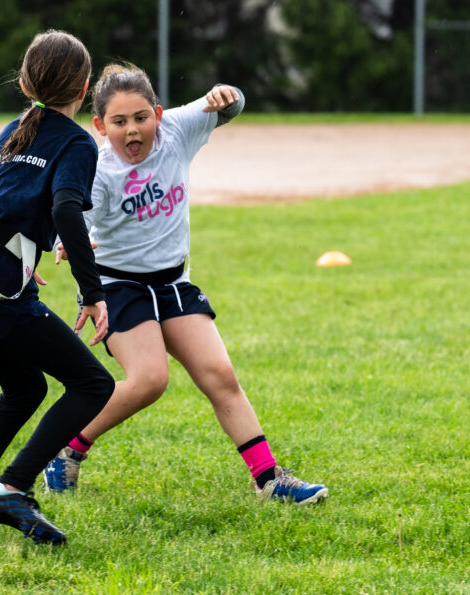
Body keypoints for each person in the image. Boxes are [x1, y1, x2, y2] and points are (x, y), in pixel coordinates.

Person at [43, 63, 328, 505]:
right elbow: (69, 218)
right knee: (149, 380)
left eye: (141, 118)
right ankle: (66, 447)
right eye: (119, 122)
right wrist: (65, 243)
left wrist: (226, 93)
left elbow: (233, 103)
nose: (133, 130)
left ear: (157, 113)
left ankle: (269, 480)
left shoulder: (176, 129)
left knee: (220, 375)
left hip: (173, 282)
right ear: (100, 125)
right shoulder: (95, 168)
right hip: (117, 285)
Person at [0, 31, 116, 545]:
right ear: (85, 86)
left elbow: (3, 200)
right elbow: (63, 209)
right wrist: (92, 292)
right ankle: (10, 490)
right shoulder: (78, 141)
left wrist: (24, 261)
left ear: (27, 81)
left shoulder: (15, 127)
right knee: (94, 384)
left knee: (25, 387)